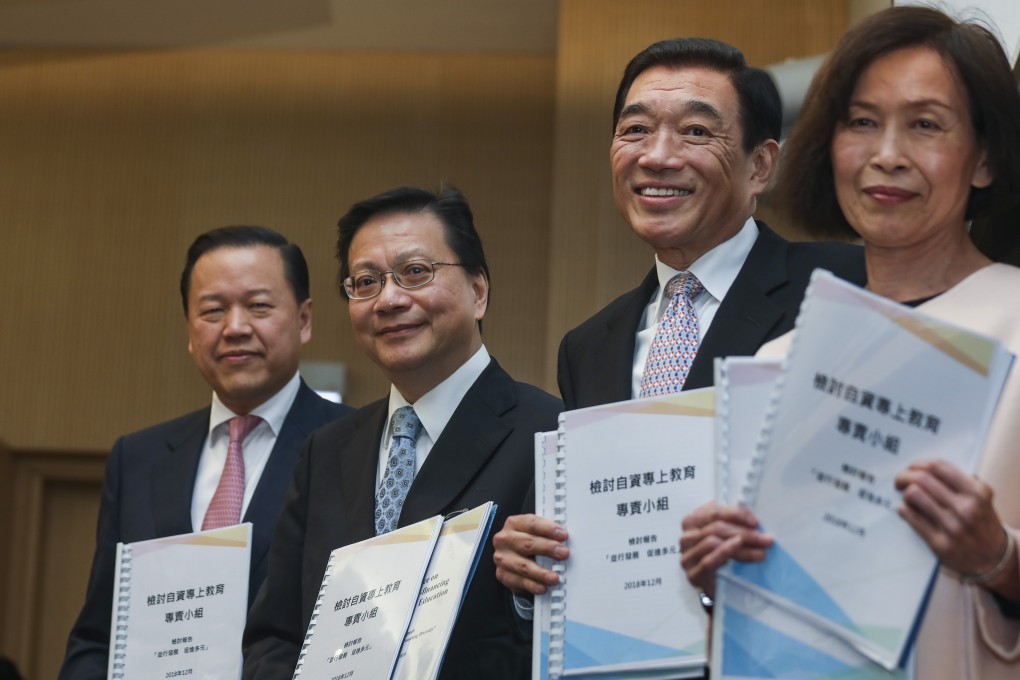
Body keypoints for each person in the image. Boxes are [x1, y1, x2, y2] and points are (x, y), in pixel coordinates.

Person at [680, 6, 1020, 678]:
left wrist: (998, 559)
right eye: (861, 122)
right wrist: (721, 578)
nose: (885, 155)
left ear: (984, 158)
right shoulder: (780, 364)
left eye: (925, 125)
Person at [493, 36, 864, 617]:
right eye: (635, 130)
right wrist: (528, 564)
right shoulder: (588, 346)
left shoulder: (842, 290)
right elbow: (577, 529)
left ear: (760, 164)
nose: (657, 156)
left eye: (695, 132)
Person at [241, 186, 563, 679]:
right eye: (365, 282)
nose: (389, 299)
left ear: (478, 291)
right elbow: (276, 634)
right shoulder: (326, 451)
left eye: (415, 273)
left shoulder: (549, 432)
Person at [59, 226, 351, 679]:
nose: (235, 328)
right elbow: (99, 635)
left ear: (304, 319)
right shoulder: (136, 458)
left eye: (258, 306)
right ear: (191, 333)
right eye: (213, 310)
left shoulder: (355, 446)